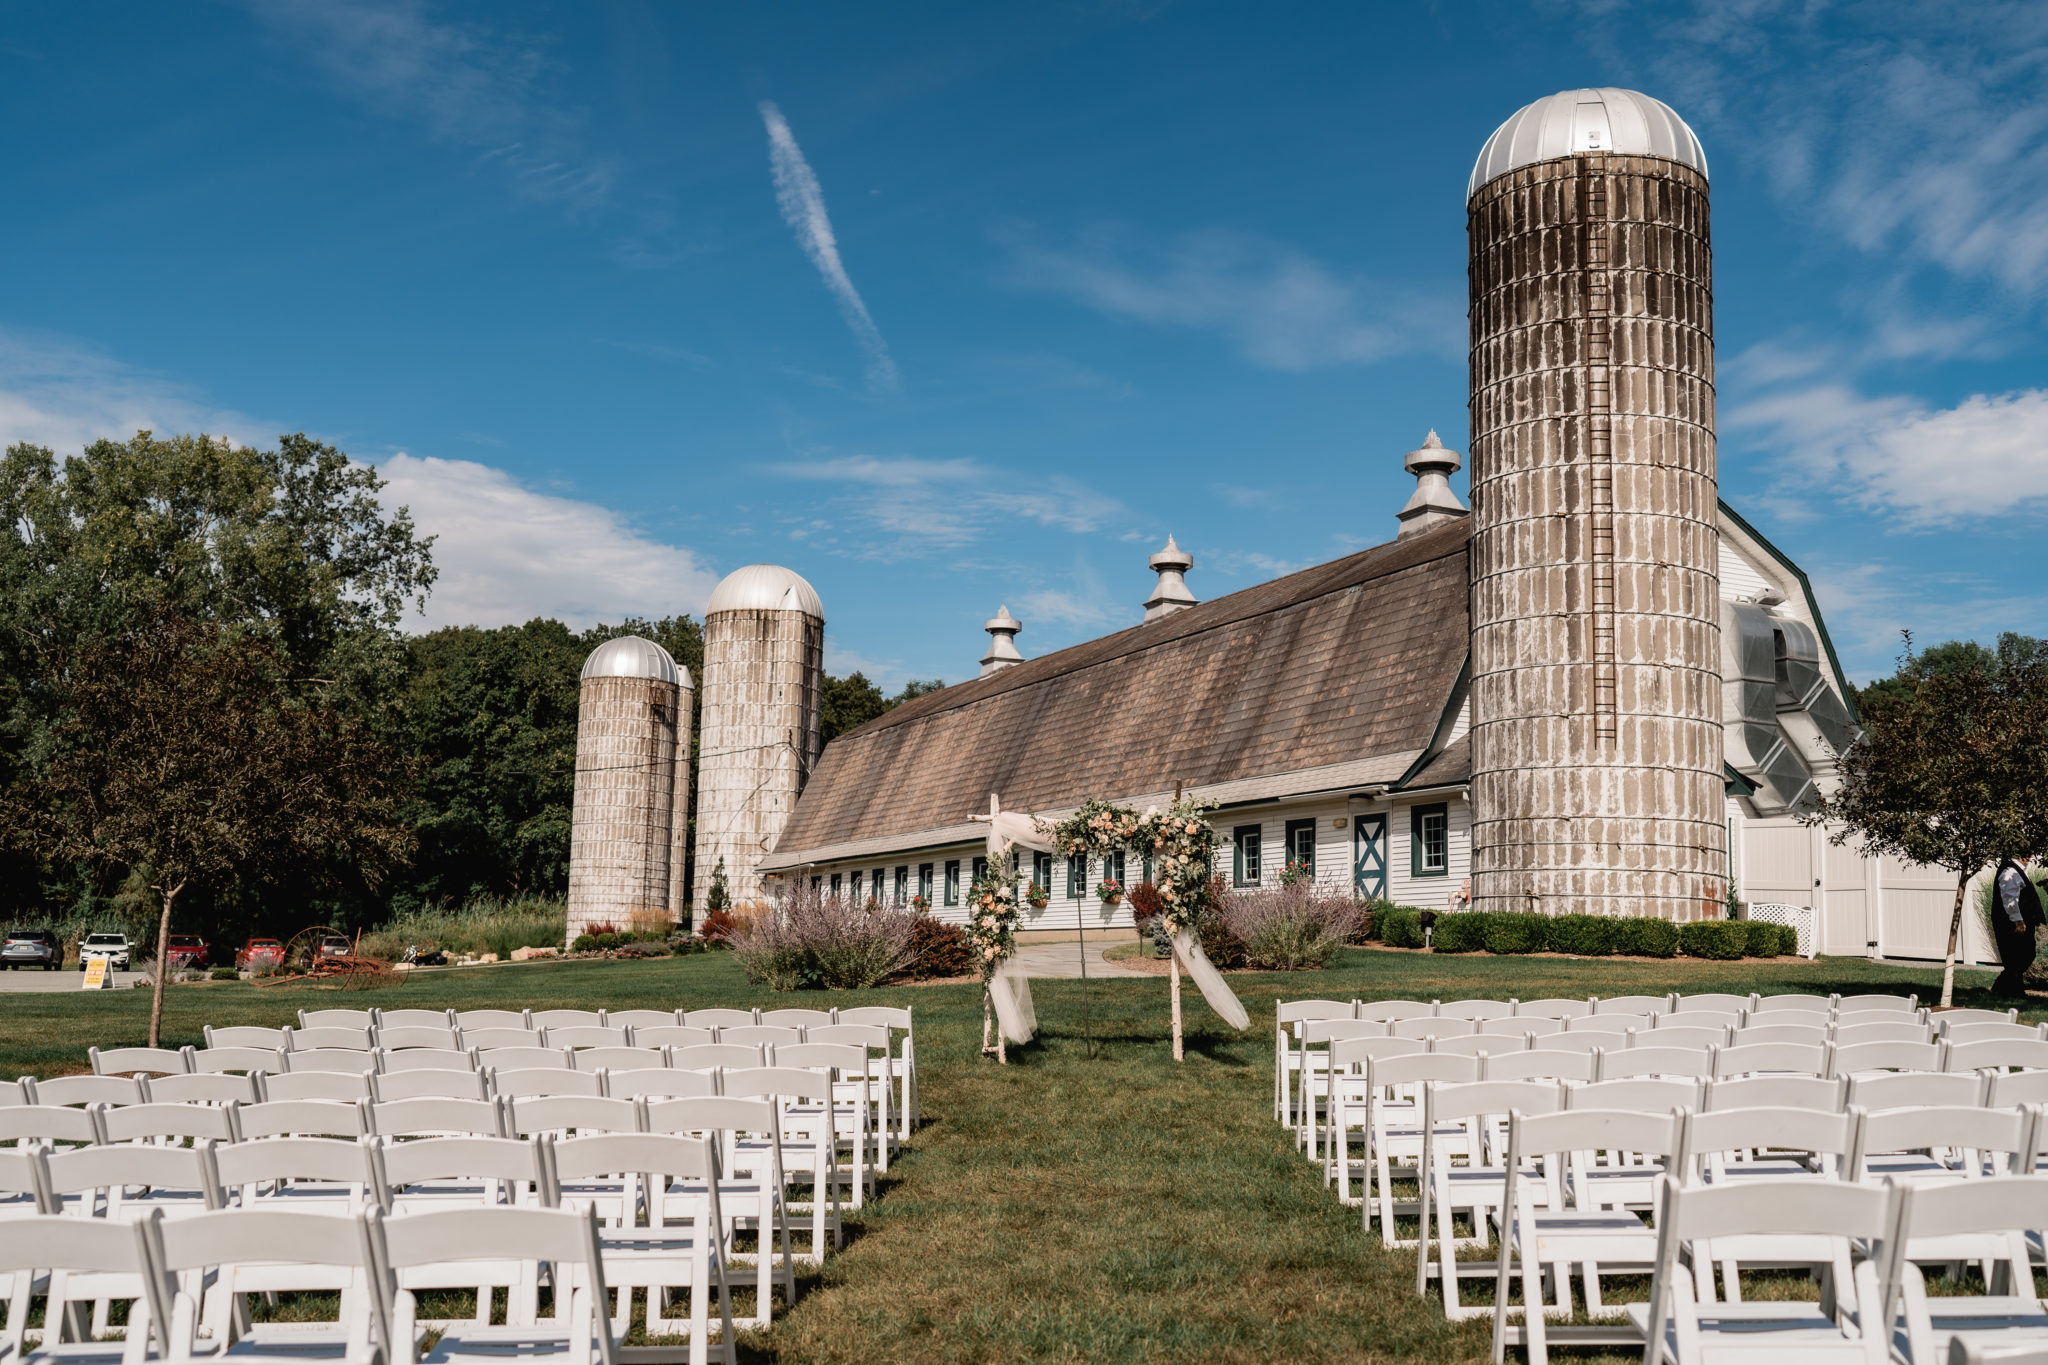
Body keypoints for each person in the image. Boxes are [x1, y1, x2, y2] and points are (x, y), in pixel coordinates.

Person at [1990, 855, 2045, 997]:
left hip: (2022, 920)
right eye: (2028, 853)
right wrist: (2018, 920)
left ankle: (2003, 988)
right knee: (2018, 955)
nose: (2031, 856)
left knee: (2024, 954)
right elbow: (2009, 898)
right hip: (2012, 922)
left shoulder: (2018, 870)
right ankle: (2011, 990)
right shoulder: (2010, 872)